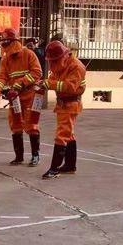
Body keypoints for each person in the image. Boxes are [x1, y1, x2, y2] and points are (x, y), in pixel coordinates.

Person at [0, 28, 43, 166]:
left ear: (15, 42)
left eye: (7, 43)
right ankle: (19, 157)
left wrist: (21, 82)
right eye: (4, 44)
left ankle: (35, 156)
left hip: (30, 95)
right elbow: (2, 77)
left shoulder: (29, 54)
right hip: (15, 97)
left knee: (31, 125)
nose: (5, 47)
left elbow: (37, 73)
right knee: (15, 125)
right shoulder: (5, 60)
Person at [39, 40, 86, 179]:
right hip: (63, 104)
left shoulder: (76, 66)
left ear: (63, 56)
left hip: (71, 104)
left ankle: (54, 169)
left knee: (62, 135)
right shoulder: (60, 65)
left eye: (54, 61)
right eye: (51, 61)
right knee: (68, 134)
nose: (52, 64)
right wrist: (43, 84)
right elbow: (53, 79)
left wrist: (49, 84)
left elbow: (70, 87)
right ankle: (70, 166)